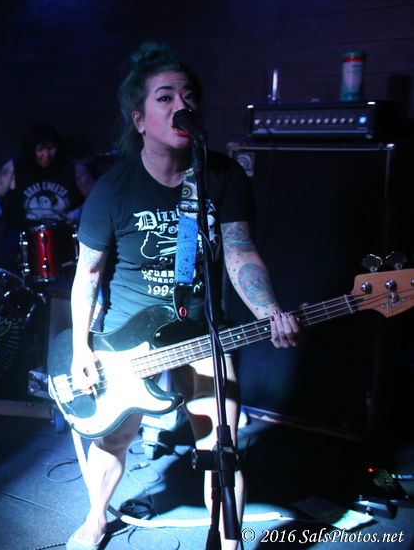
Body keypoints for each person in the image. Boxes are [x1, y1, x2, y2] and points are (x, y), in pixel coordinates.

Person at [66, 43, 301, 550]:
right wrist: (81, 347)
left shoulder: (221, 176)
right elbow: (87, 275)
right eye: (165, 97)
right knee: (114, 436)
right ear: (140, 119)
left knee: (221, 447)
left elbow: (240, 253)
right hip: (127, 336)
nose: (181, 106)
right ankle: (95, 518)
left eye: (188, 96)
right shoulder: (114, 188)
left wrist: (270, 310)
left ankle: (228, 542)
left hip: (200, 331)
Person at [0, 125, 94, 276]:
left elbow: (96, 199)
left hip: (61, 236)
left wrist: (79, 211)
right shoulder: (14, 168)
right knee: (6, 255)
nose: (46, 155)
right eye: (40, 149)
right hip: (22, 235)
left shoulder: (74, 169)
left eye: (51, 148)